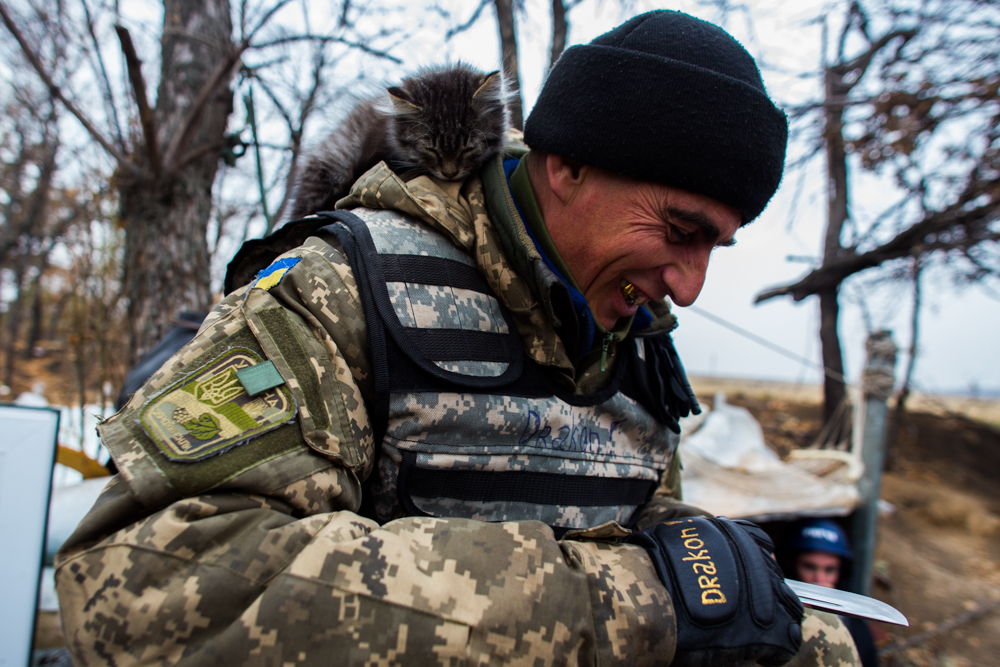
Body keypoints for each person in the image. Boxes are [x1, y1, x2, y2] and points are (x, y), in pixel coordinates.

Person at [55, 11, 861, 666]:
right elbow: (143, 586)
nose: (689, 285)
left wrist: (733, 594)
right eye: (679, 231)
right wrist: (632, 603)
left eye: (714, 246)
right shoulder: (340, 287)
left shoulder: (636, 339)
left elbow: (630, 519)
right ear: (569, 167)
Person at [783, 519, 880, 667]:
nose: (819, 579)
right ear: (790, 564)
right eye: (809, 567)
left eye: (829, 570)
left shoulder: (855, 626)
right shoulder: (773, 616)